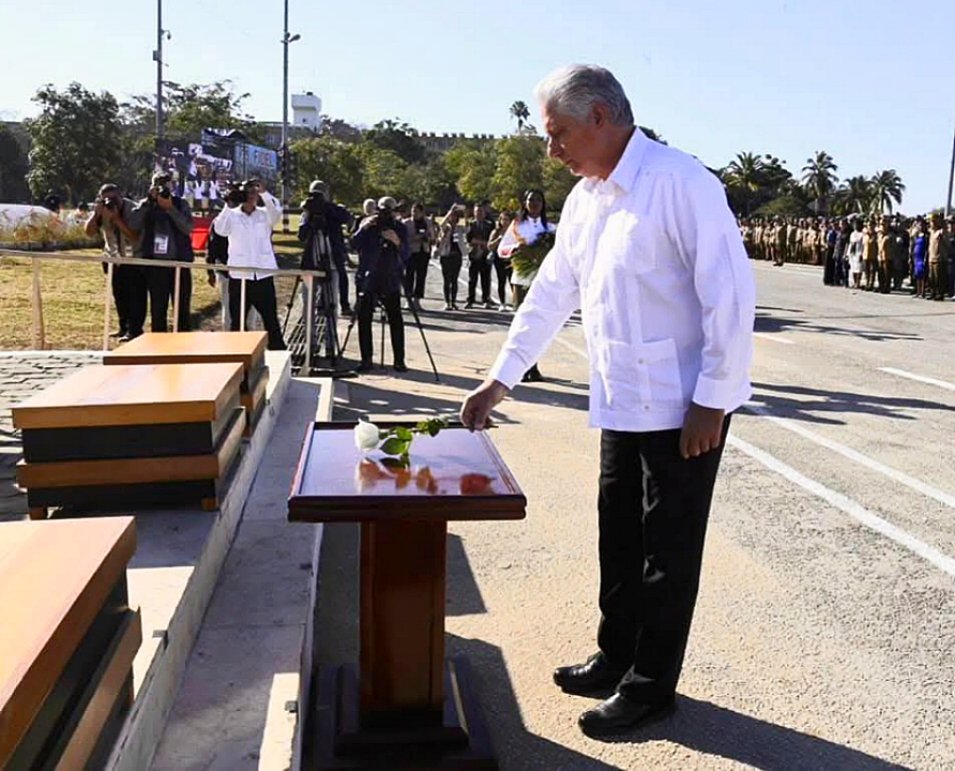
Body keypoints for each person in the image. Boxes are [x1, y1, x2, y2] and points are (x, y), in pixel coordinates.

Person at [460, 64, 755, 738]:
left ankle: (652, 686)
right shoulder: (586, 197)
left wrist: (711, 399)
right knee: (617, 536)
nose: (551, 149)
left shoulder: (680, 184)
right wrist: (501, 375)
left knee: (667, 550)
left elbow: (729, 297)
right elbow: (551, 293)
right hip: (622, 399)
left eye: (558, 133)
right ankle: (616, 652)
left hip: (684, 408)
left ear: (599, 118)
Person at [211, 179, 286, 349]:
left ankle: (278, 354)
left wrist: (264, 193)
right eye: (247, 193)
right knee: (237, 321)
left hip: (262, 274)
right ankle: (239, 356)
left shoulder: (264, 213)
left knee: (270, 320)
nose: (250, 197)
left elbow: (276, 214)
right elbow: (220, 229)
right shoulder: (232, 214)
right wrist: (228, 204)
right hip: (240, 276)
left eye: (254, 193)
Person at [498, 189, 556, 382]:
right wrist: (515, 248)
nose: (535, 203)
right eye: (531, 200)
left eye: (539, 200)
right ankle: (520, 368)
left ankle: (534, 366)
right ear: (525, 202)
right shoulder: (517, 225)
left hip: (542, 280)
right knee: (522, 324)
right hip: (522, 280)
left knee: (539, 325)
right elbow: (501, 250)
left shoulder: (550, 228)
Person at [126, 173, 194, 333]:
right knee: (158, 310)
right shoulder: (146, 205)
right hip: (156, 265)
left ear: (173, 186)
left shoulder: (180, 204)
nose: (163, 187)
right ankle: (159, 346)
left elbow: (188, 228)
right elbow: (133, 225)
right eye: (159, 184)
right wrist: (149, 202)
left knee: (182, 309)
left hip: (179, 264)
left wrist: (170, 208)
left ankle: (183, 346)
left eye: (166, 184)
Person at [350, 195, 409, 372]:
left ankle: (399, 360)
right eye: (382, 210)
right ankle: (366, 359)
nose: (384, 215)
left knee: (395, 319)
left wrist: (396, 240)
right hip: (368, 277)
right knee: (364, 318)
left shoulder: (399, 227)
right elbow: (353, 244)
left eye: (388, 212)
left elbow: (406, 254)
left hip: (389, 277)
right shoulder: (368, 225)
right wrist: (363, 228)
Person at [85, 183, 145, 341]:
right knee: (119, 295)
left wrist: (117, 218)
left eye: (113, 198)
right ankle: (123, 327)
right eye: (106, 199)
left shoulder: (133, 209)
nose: (110, 202)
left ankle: (135, 330)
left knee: (135, 297)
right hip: (113, 258)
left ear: (120, 195)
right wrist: (96, 215)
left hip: (133, 259)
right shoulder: (102, 210)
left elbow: (134, 236)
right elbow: (89, 232)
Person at [299, 180, 354, 314]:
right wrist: (309, 216)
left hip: (332, 262)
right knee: (308, 302)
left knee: (332, 302)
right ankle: (309, 331)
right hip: (311, 263)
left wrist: (327, 208)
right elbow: (302, 236)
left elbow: (346, 218)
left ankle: (331, 331)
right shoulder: (307, 212)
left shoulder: (334, 210)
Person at [435, 205, 468, 310]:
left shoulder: (460, 228)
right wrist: (450, 211)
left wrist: (466, 214)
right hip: (446, 254)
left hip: (457, 255)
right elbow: (442, 224)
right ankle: (446, 302)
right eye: (452, 217)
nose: (454, 219)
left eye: (456, 217)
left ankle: (453, 301)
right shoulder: (446, 228)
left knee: (454, 280)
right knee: (446, 279)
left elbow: (468, 228)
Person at [404, 202, 436, 309]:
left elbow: (433, 237)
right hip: (411, 252)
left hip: (424, 251)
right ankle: (408, 300)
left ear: (422, 212)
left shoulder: (427, 222)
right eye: (413, 211)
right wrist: (415, 238)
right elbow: (404, 239)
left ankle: (417, 299)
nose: (414, 214)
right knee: (409, 276)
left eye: (417, 211)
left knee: (421, 276)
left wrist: (428, 237)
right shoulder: (406, 223)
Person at [465, 202, 496, 309]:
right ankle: (470, 300)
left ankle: (486, 299)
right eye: (477, 211)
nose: (479, 213)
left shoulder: (490, 224)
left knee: (486, 279)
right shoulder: (471, 224)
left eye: (481, 211)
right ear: (474, 213)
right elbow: (469, 239)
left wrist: (485, 244)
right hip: (474, 254)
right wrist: (481, 243)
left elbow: (492, 238)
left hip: (485, 255)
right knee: (472, 279)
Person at [489, 210, 514, 309]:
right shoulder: (496, 231)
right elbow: (489, 246)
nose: (505, 222)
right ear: (499, 220)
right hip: (499, 259)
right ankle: (502, 303)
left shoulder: (514, 231)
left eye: (507, 220)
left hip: (511, 259)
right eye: (503, 219)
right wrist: (498, 239)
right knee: (501, 280)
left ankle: (516, 302)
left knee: (513, 281)